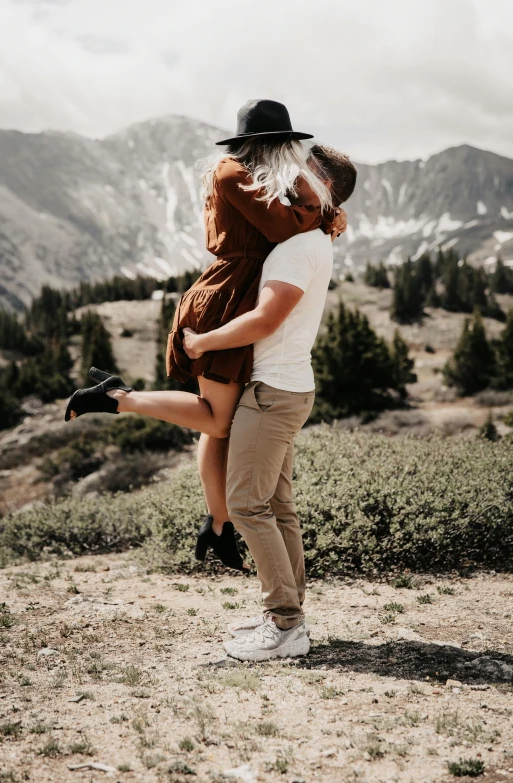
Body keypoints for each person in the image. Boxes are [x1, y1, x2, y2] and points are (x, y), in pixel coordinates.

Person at [64, 100, 346, 572]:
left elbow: (282, 227)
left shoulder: (260, 181)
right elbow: (280, 227)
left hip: (235, 294)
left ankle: (219, 525)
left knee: (222, 420)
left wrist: (319, 213)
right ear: (272, 146)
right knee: (217, 420)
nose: (295, 159)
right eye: (288, 147)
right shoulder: (230, 172)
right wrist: (324, 212)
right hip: (223, 298)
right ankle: (116, 397)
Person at [183, 145, 357, 661]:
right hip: (284, 387)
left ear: (322, 188)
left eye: (304, 173)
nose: (292, 176)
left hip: (272, 392)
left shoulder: (299, 248)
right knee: (277, 507)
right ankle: (288, 615)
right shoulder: (306, 236)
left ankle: (286, 626)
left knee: (247, 506)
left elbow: (265, 320)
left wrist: (202, 343)